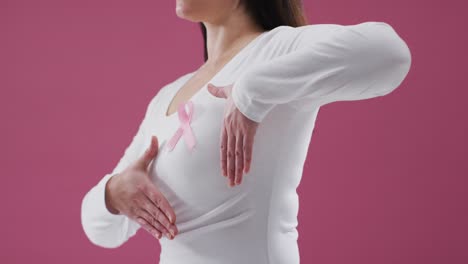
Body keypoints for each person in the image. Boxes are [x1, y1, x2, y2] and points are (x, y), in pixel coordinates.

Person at [81, 0, 412, 263]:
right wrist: (113, 193)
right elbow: (101, 230)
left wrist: (252, 90)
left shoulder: (276, 49)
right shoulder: (166, 97)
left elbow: (390, 54)